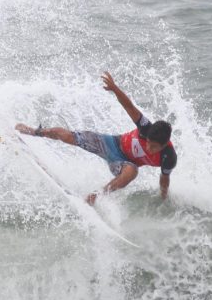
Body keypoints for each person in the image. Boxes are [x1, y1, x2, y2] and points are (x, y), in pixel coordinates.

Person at [15, 72, 177, 205]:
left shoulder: (168, 157)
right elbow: (129, 106)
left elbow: (164, 180)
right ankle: (30, 131)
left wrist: (163, 202)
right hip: (111, 143)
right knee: (70, 136)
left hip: (122, 165)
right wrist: (114, 89)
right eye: (148, 143)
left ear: (164, 145)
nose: (148, 148)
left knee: (132, 172)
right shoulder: (146, 127)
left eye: (154, 147)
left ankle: (94, 197)